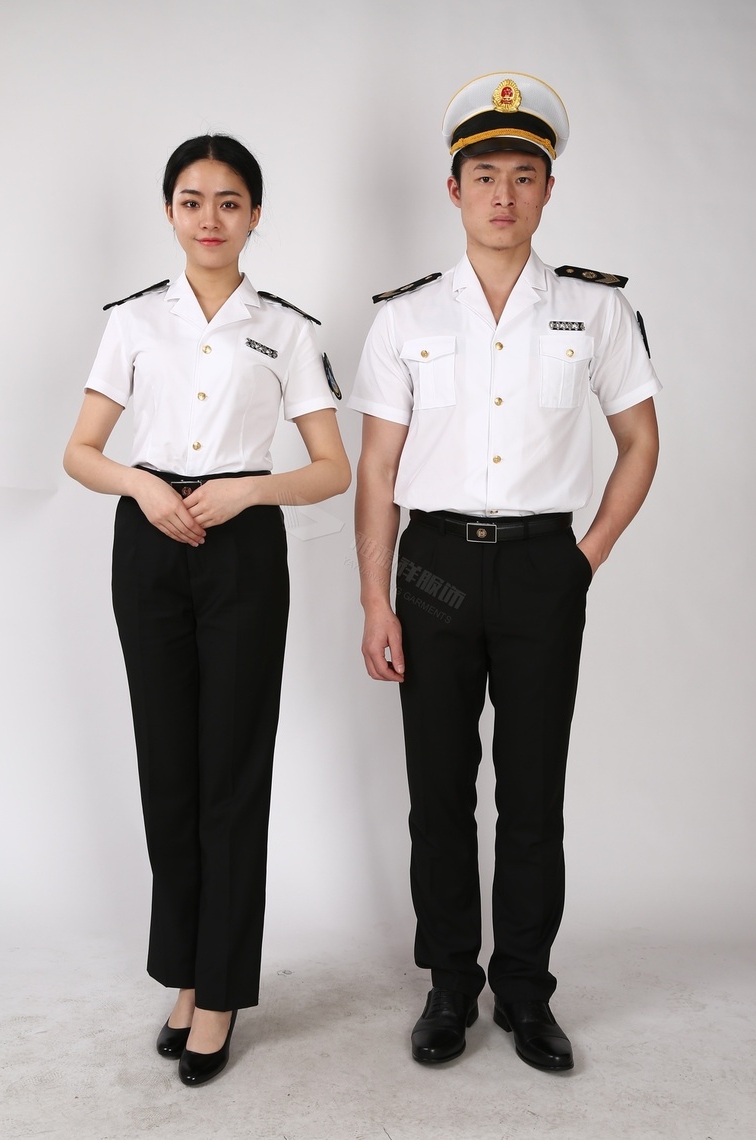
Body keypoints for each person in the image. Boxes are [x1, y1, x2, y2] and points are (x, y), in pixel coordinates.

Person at [349, 72, 660, 1071]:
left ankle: (525, 990)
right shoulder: (405, 319)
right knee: (438, 793)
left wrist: (585, 558)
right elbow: (378, 471)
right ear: (453, 189)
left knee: (532, 795)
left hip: (540, 569)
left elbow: (641, 441)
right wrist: (375, 599)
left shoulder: (594, 311)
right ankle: (450, 985)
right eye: (484, 175)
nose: (503, 195)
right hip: (433, 569)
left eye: (524, 176)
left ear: (547, 190)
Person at [64, 134, 350, 1086]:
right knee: (169, 771)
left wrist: (249, 490)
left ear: (255, 215)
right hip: (149, 543)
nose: (210, 218)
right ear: (169, 213)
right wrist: (144, 486)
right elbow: (81, 451)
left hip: (240, 550)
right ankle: (184, 975)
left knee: (231, 771)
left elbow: (331, 469)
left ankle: (220, 991)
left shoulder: (287, 329)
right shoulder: (133, 322)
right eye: (192, 201)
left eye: (230, 202)